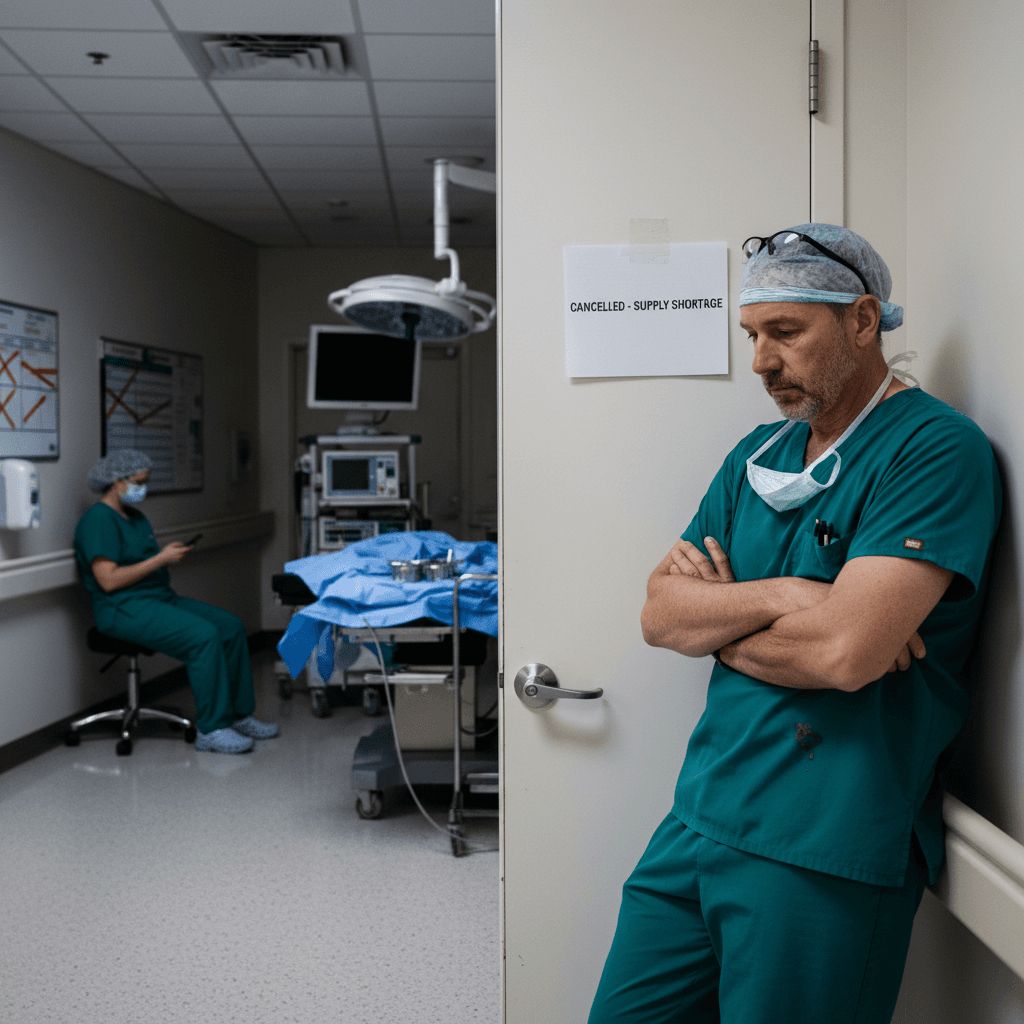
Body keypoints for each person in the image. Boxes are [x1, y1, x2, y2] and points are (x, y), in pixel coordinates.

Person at [588, 224, 1001, 1023]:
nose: (761, 361)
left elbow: (846, 653)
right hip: (699, 818)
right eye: (752, 334)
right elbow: (660, 614)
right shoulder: (760, 452)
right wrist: (793, 596)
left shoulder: (933, 449)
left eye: (785, 332)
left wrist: (730, 616)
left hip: (824, 846)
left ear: (862, 319)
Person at [74, 449, 279, 755]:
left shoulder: (136, 518)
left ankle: (239, 715)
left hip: (159, 598)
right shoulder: (97, 521)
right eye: (138, 482)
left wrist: (166, 557)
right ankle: (211, 729)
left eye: (146, 481)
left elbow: (142, 562)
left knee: (230, 627)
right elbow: (109, 580)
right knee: (202, 636)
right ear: (116, 482)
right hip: (122, 608)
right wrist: (160, 559)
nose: (143, 488)